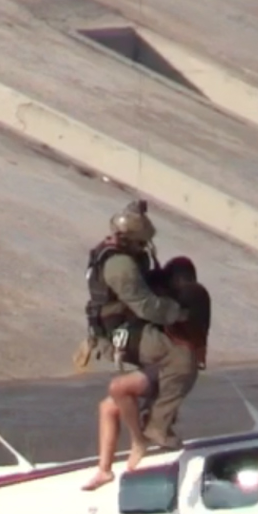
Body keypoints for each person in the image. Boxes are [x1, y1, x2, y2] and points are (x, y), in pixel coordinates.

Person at [79, 201, 187, 491]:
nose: (145, 247)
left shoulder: (115, 251)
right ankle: (148, 435)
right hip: (124, 332)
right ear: (131, 239)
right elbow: (145, 306)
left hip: (117, 329)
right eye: (142, 242)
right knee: (178, 358)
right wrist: (178, 312)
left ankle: (104, 470)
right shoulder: (121, 265)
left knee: (109, 406)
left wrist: (138, 208)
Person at [142, 255, 211, 452]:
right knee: (180, 380)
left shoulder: (192, 293)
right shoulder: (196, 292)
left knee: (170, 387)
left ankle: (154, 421)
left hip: (166, 349)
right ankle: (157, 427)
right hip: (176, 351)